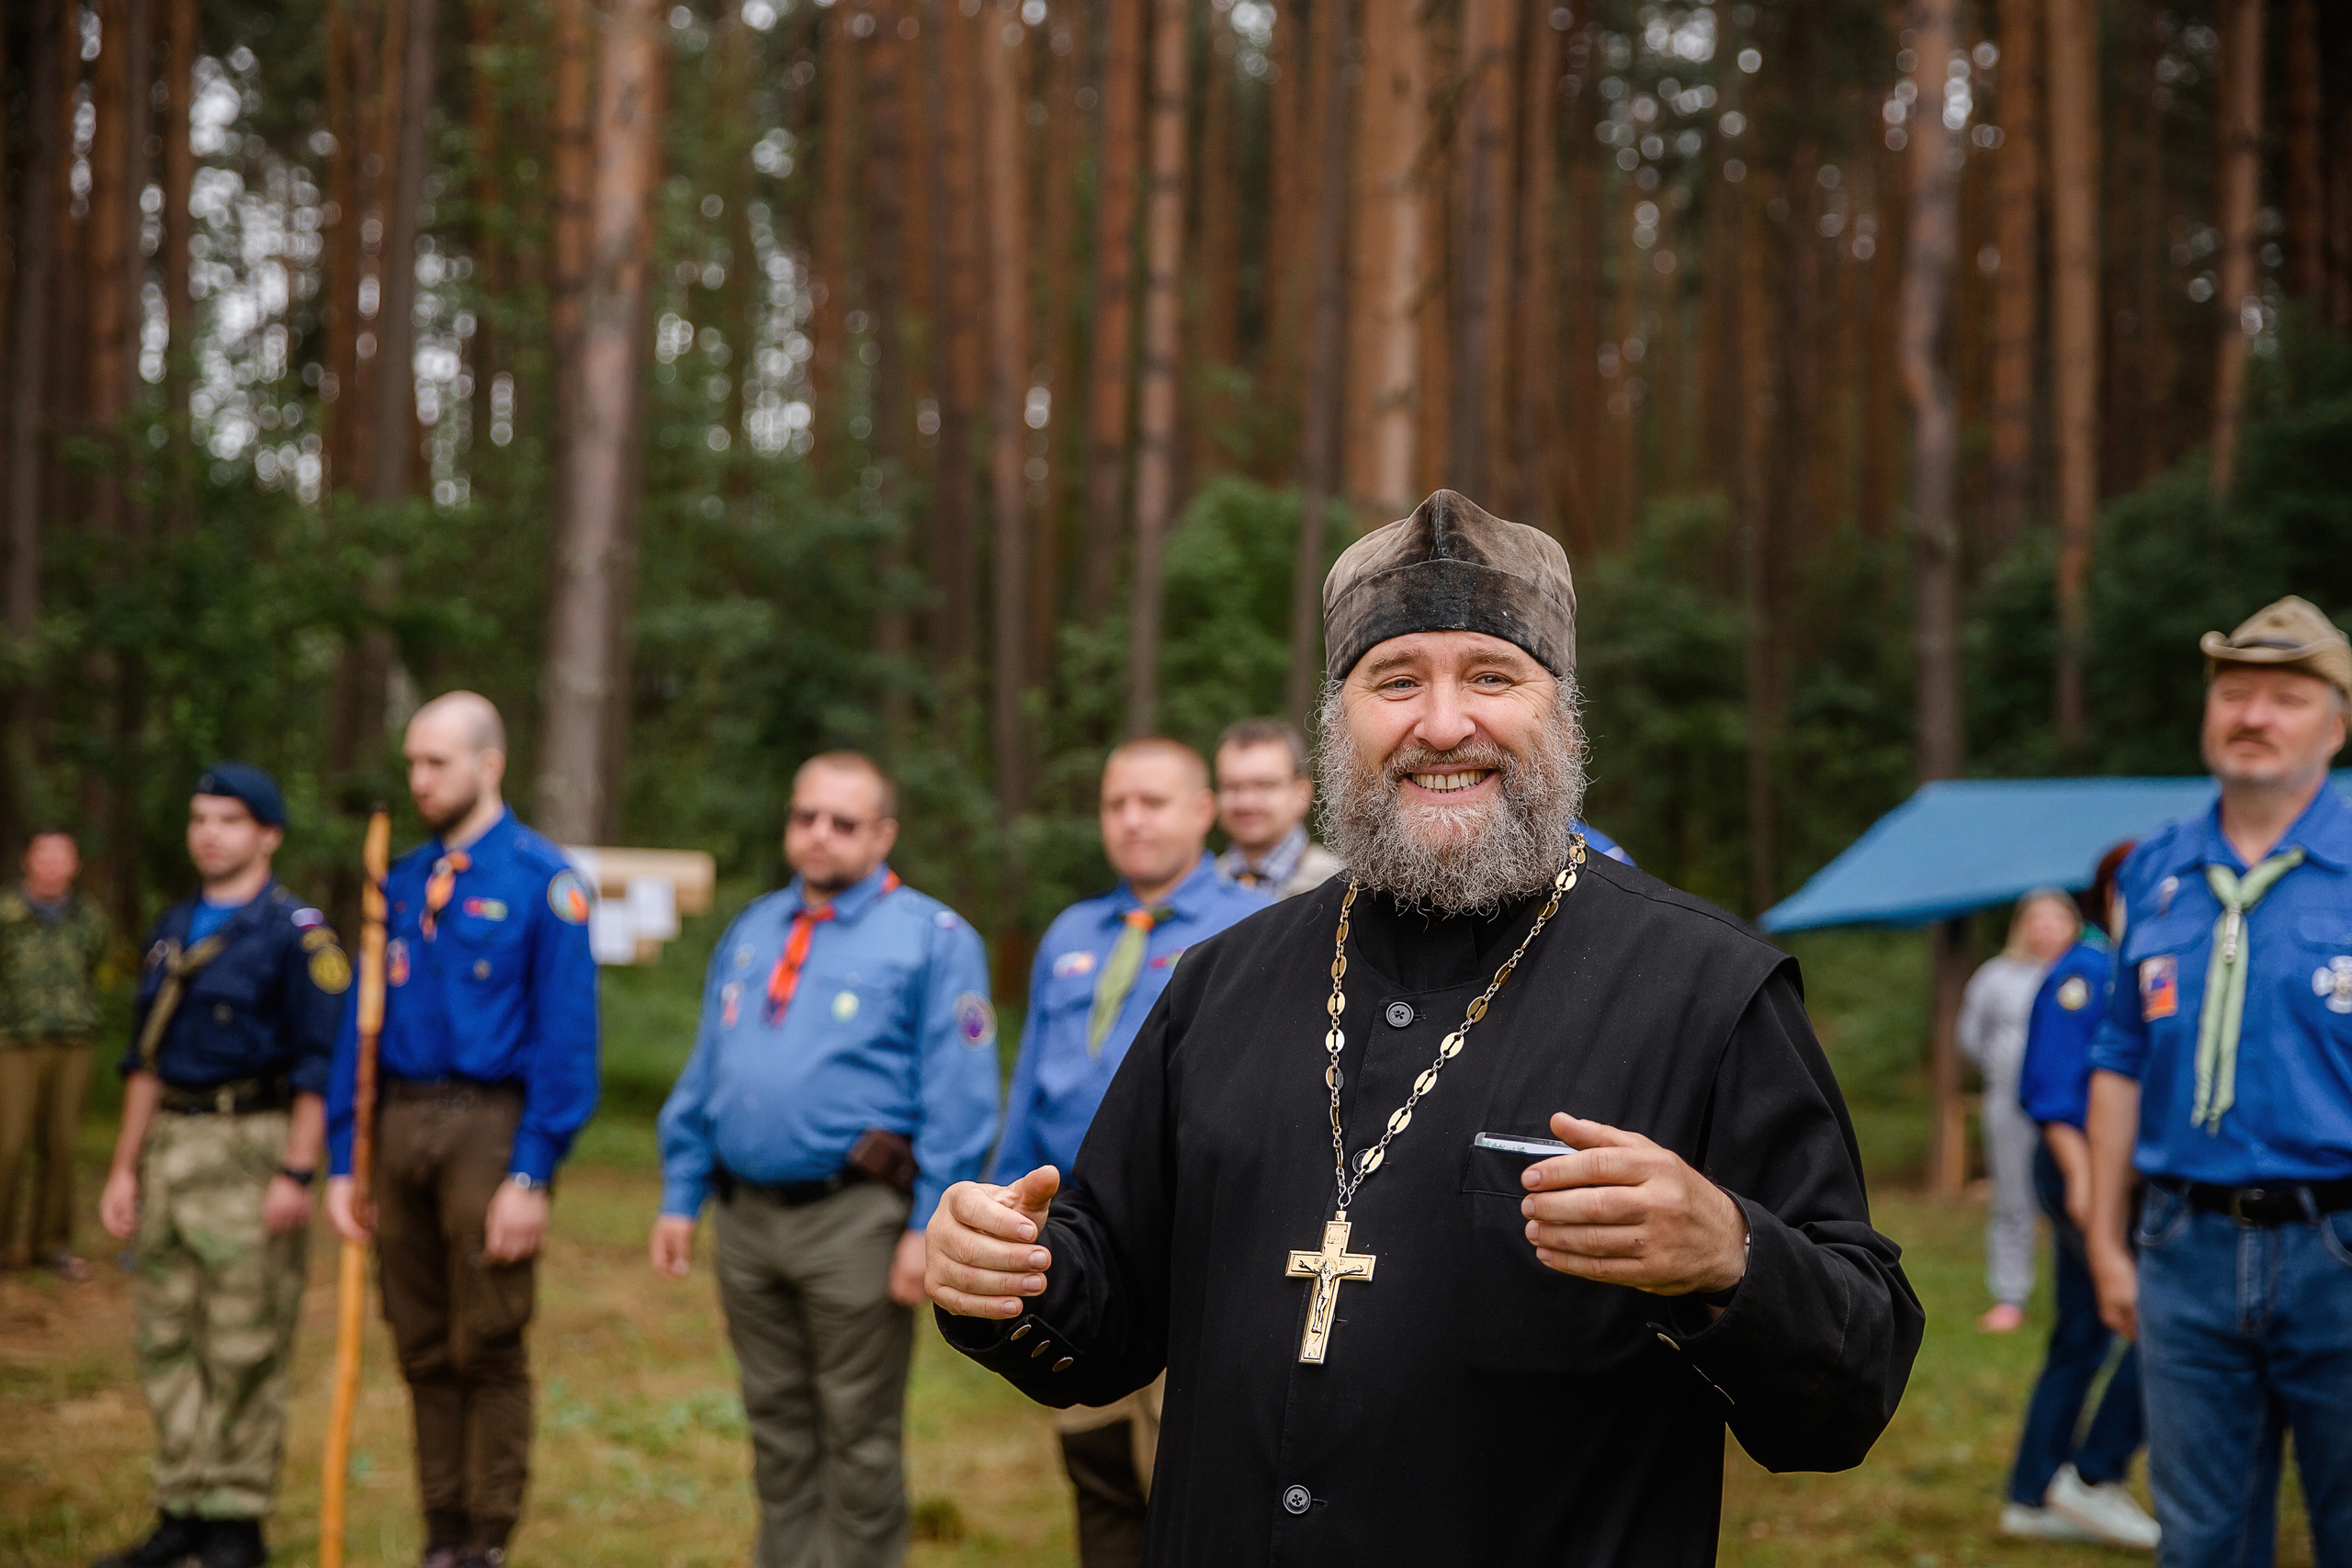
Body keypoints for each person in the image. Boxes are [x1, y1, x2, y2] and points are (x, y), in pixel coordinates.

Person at [924, 490, 1922, 1567]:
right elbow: (1108, 1307)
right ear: (1338, 719)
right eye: (1395, 680)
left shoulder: (1707, 989)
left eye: (1491, 677)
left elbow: (1853, 1383)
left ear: (1563, 711)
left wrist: (1730, 1254)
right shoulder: (1218, 984)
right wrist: (1011, 1271)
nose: (1442, 725)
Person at [650, 751, 998, 1568]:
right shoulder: (754, 927)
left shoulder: (932, 937)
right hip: (745, 1217)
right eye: (805, 816)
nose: (819, 834)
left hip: (856, 1219)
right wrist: (680, 1190)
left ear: (883, 834)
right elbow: (708, 1068)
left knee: (857, 1431)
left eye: (844, 822)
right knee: (774, 1420)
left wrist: (926, 1225)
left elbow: (960, 1095)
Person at [2087, 596, 2352, 1568]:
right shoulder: (2153, 870)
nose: (2253, 715)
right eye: (2234, 692)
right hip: (2182, 1246)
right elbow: (2118, 1057)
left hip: (2339, 1246)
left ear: (2335, 726)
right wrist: (2105, 1240)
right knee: (2201, 1542)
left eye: (2286, 697)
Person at [325, 692, 600, 1568]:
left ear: (490, 764)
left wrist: (532, 1172)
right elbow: (359, 1025)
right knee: (420, 1342)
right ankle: (440, 1530)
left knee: (487, 1340)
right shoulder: (399, 881)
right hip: (399, 1120)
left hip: (488, 1127)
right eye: (412, 761)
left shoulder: (543, 882)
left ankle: (487, 1538)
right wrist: (345, 1155)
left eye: (436, 762)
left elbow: (567, 1040)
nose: (419, 779)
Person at [1000, 739, 1270, 1568]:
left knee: (1185, 1478)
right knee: (1095, 1459)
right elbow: (1031, 1078)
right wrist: (1002, 1200)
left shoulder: (1256, 927)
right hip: (1071, 1236)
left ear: (1204, 811)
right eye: (1116, 803)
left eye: (1153, 801)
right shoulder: (1073, 931)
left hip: (1191, 1237)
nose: (1131, 819)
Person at [91, 765, 347, 1568]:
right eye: (200, 817)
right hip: (171, 1143)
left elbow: (319, 1064)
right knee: (166, 1330)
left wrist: (296, 1171)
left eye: (230, 819)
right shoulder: (172, 928)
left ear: (269, 834)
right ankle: (183, 1504)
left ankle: (236, 1516)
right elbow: (146, 1060)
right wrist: (124, 1168)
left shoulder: (298, 934)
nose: (209, 833)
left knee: (244, 1337)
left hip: (251, 1143)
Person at [2000, 842, 2158, 1551]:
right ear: (2109, 893)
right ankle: (2092, 1473)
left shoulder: (2125, 963)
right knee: (2153, 1322)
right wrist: (2090, 1193)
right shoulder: (2086, 971)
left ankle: (2035, 1490)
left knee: (2082, 1334)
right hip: (2082, 1173)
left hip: (2110, 1176)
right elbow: (2056, 1096)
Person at [1959, 890, 2081, 1332]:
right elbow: (1971, 1038)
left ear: (2073, 924)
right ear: (2021, 927)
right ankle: (2010, 1297)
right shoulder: (1996, 977)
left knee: (2078, 1197)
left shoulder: (2086, 974)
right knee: (2013, 1199)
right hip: (2010, 1106)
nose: (2046, 929)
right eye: (2037, 920)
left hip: (2074, 1110)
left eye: (2056, 919)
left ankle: (2081, 1296)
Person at [0, 828, 110, 1277]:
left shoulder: (89, 917)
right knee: (9, 1145)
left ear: (75, 865)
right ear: (27, 859)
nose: (51, 864)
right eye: (43, 855)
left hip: (73, 1040)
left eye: (62, 856)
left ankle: (50, 1244)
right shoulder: (6, 914)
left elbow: (94, 962)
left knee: (62, 1145)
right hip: (14, 1041)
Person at [1214, 719, 1344, 898]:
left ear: (1302, 792)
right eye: (1231, 786)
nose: (1246, 801)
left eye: (1265, 785)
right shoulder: (1197, 885)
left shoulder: (1342, 885)